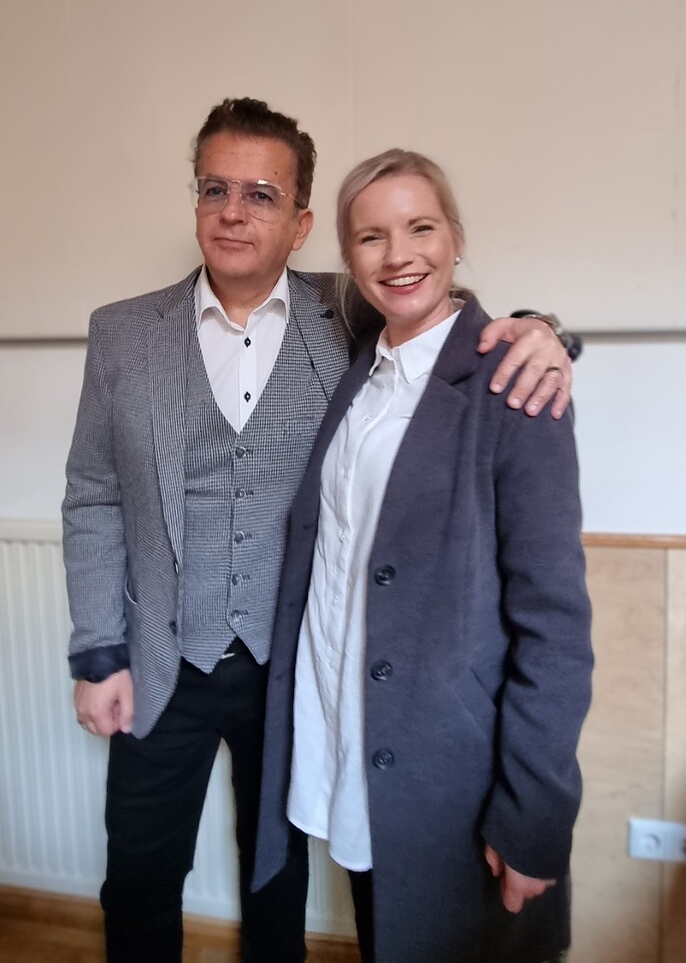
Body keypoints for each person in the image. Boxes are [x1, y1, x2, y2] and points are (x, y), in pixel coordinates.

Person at [63, 98, 578, 963]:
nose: (233, 212)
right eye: (215, 189)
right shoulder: (121, 334)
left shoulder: (348, 311)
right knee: (140, 876)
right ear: (196, 200)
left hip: (291, 667)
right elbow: (91, 495)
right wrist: (96, 651)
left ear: (301, 224)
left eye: (261, 195)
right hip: (158, 660)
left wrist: (546, 332)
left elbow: (445, 325)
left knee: (276, 875)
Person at [253, 148, 593, 963]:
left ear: (457, 238)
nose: (398, 255)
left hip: (454, 767)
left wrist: (534, 817)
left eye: (421, 228)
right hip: (354, 740)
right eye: (371, 236)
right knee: (387, 935)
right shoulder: (359, 370)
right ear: (347, 256)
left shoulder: (516, 384)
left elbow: (554, 626)